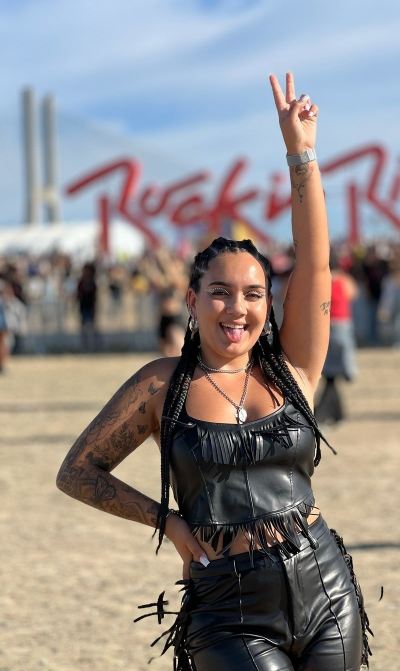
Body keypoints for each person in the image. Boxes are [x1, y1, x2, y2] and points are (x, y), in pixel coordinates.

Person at [56, 72, 372, 671]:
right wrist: (166, 521)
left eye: (254, 294)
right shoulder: (162, 384)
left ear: (269, 304)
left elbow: (317, 256)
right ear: (193, 298)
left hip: (325, 584)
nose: (238, 308)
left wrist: (300, 151)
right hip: (228, 606)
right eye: (220, 292)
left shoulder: (295, 369)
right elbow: (77, 471)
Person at [315, 248, 359, 424]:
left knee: (330, 368)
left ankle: (330, 411)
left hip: (326, 323)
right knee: (335, 368)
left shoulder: (322, 279)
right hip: (342, 323)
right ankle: (334, 412)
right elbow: (353, 294)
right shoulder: (344, 279)